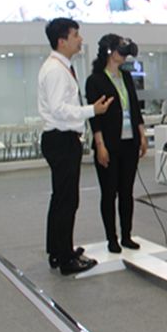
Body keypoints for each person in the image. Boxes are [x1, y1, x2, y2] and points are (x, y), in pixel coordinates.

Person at [38, 17, 113, 275]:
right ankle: (66, 258)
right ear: (62, 41)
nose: (80, 40)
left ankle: (58, 250)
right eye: (76, 35)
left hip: (61, 138)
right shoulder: (56, 70)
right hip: (61, 138)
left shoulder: (60, 66)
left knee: (61, 197)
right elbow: (59, 109)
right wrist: (92, 110)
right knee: (67, 199)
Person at [85, 34, 148, 253]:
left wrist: (142, 134)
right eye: (121, 50)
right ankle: (111, 238)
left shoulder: (126, 76)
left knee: (126, 191)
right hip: (109, 143)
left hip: (129, 142)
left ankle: (126, 235)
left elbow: (135, 108)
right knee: (109, 192)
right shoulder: (95, 80)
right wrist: (100, 145)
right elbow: (95, 118)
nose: (124, 54)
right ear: (109, 52)